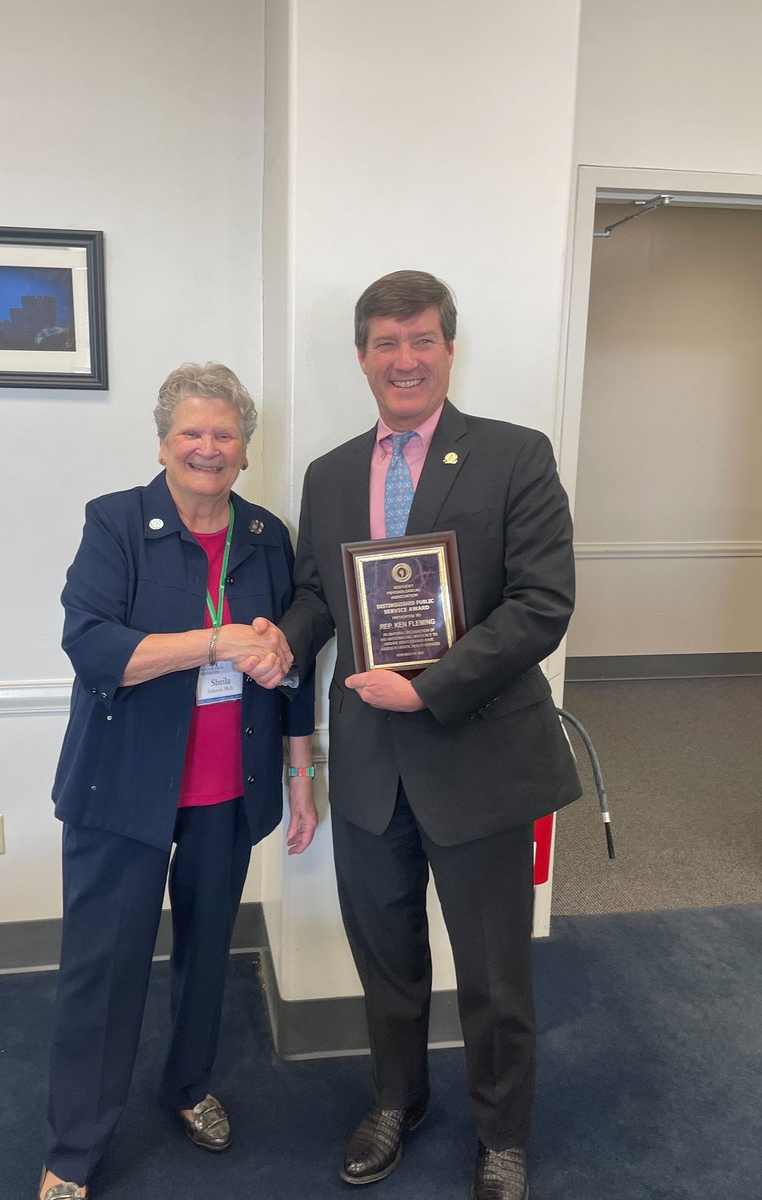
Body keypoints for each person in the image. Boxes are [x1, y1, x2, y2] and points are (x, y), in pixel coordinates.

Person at [276, 271, 582, 1200]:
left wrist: (432, 689)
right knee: (388, 957)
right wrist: (275, 642)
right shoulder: (329, 475)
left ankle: (502, 1135)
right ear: (362, 356)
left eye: (421, 341)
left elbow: (542, 604)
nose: (403, 360)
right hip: (371, 766)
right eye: (384, 343)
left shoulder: (515, 456)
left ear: (450, 348)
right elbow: (320, 597)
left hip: (478, 759)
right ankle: (395, 1100)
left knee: (493, 970)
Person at [39, 362, 317, 1200]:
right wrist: (215, 642)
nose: (207, 448)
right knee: (104, 968)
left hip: (225, 791)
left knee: (205, 956)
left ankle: (188, 1088)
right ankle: (74, 1150)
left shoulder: (267, 535)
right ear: (163, 442)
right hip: (120, 790)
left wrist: (302, 772)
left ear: (243, 449)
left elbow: (290, 664)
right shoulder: (116, 523)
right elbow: (92, 648)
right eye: (191, 433)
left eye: (224, 435)